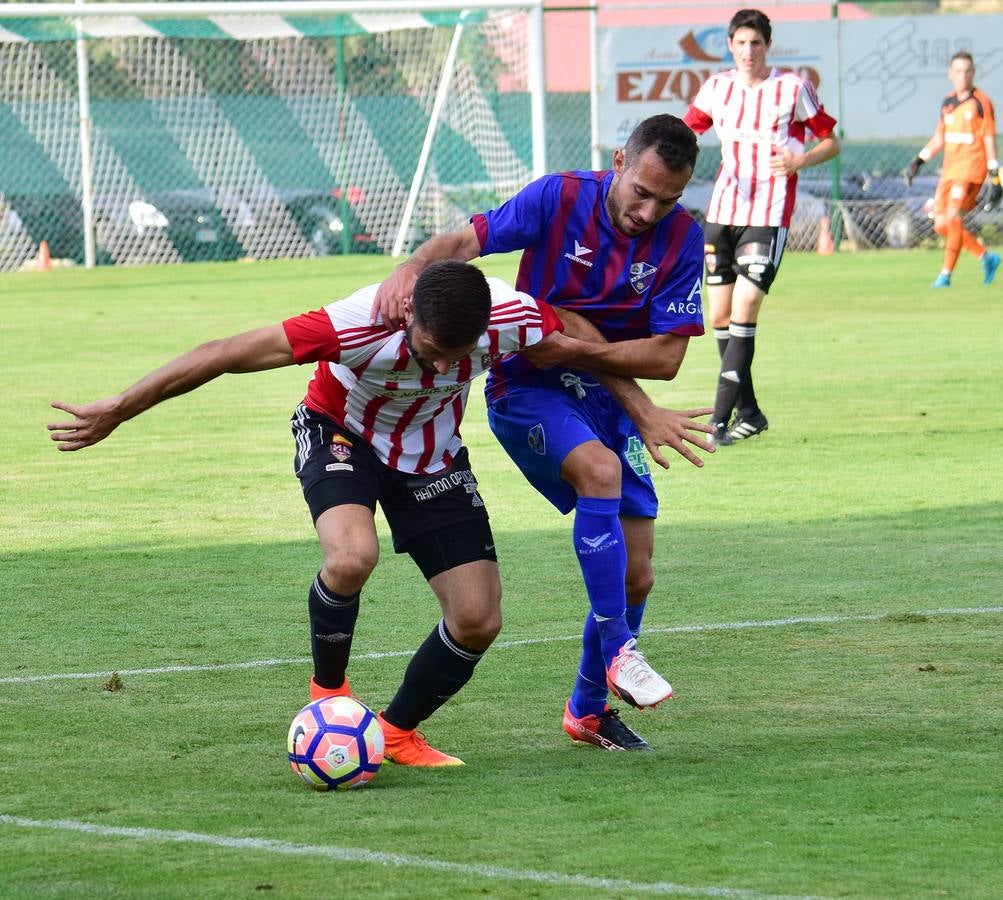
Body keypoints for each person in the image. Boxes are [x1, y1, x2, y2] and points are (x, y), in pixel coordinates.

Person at [48, 261, 711, 766]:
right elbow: (222, 354)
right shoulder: (355, 324)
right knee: (350, 556)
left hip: (432, 457)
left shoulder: (513, 317)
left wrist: (640, 407)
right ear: (408, 322)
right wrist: (118, 409)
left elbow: (581, 338)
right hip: (342, 435)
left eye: (461, 353)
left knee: (478, 620)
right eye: (433, 352)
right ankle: (326, 695)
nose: (447, 364)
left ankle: (394, 732)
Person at [372, 114, 715, 752]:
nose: (649, 211)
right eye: (641, 192)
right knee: (601, 473)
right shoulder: (559, 197)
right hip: (527, 385)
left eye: (666, 200)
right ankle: (619, 650)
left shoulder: (682, 240)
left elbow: (666, 359)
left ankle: (587, 711)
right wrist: (412, 265)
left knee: (637, 576)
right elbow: (468, 242)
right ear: (619, 162)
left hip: (599, 393)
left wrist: (574, 344)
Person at [682, 8, 841, 446]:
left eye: (756, 43)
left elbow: (831, 139)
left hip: (768, 215)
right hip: (722, 210)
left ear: (767, 46)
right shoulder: (717, 89)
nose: (748, 51)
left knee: (745, 310)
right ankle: (749, 412)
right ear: (730, 46)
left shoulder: (791, 88)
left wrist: (799, 160)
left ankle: (716, 423)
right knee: (719, 316)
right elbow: (684, 132)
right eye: (740, 43)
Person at [904, 50, 1001, 289]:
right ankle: (986, 256)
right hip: (949, 171)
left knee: (953, 217)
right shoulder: (947, 103)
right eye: (958, 71)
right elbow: (940, 137)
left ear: (973, 73)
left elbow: (989, 139)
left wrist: (995, 173)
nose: (963, 76)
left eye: (967, 71)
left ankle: (945, 276)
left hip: (971, 170)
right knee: (941, 225)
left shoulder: (981, 102)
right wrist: (919, 160)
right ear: (950, 74)